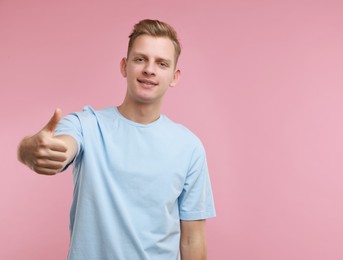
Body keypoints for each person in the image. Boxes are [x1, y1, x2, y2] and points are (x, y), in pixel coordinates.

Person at [17, 19, 216, 260]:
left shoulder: (189, 147)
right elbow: (60, 147)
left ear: (174, 76)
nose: (149, 70)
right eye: (140, 59)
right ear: (124, 66)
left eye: (161, 63)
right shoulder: (85, 125)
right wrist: (28, 150)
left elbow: (192, 239)